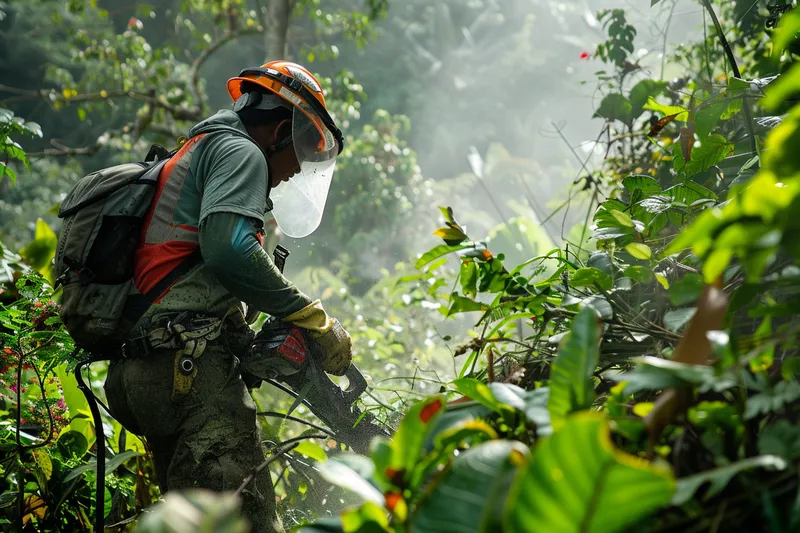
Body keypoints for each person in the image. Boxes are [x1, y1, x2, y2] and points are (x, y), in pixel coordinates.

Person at [103, 61, 352, 533]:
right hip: (185, 369)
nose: (291, 173)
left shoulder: (201, 149)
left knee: (193, 523)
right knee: (243, 521)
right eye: (297, 157)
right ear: (282, 130)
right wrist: (310, 316)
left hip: (147, 366)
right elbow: (229, 249)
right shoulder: (242, 153)